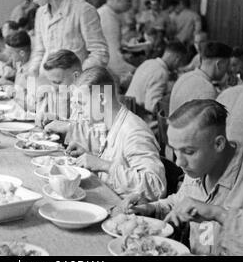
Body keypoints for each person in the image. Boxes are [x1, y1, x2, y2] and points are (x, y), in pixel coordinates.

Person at [119, 99, 243, 255]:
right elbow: (180, 201)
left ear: (218, 144)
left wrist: (219, 214)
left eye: (189, 152)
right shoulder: (199, 168)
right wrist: (151, 208)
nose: (179, 162)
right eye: (175, 150)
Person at [65, 67, 166, 201]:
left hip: (127, 212)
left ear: (101, 99)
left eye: (82, 103)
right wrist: (89, 157)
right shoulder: (109, 124)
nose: (78, 110)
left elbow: (156, 187)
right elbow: (119, 163)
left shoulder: (134, 131)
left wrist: (103, 165)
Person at [23, 0, 108, 80]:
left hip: (74, 84)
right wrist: (32, 71)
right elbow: (39, 50)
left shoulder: (83, 10)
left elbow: (100, 53)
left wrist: (79, 75)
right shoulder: (40, 13)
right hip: (46, 84)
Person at [169, 41, 232, 115]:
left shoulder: (184, 77)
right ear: (219, 64)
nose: (228, 69)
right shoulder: (207, 90)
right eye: (227, 65)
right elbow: (210, 125)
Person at [126, 41, 188, 114]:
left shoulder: (148, 62)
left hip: (128, 108)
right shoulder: (161, 72)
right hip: (139, 115)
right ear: (177, 58)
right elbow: (151, 106)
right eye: (180, 62)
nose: (178, 66)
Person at [97, 0, 135, 87]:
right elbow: (112, 56)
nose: (131, 4)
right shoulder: (108, 19)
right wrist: (134, 71)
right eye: (128, 1)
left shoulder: (107, 13)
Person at [35, 49, 83, 125]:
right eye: (51, 81)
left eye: (57, 82)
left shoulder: (88, 98)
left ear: (76, 76)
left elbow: (83, 131)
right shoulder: (53, 93)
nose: (54, 88)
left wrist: (58, 121)